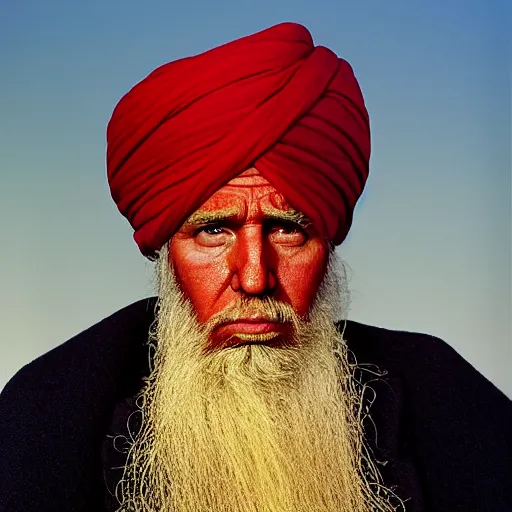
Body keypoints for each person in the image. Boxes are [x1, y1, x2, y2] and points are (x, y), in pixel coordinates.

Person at [0, 22, 510, 512]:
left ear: (327, 246)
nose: (253, 277)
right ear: (167, 251)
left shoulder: (442, 394)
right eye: (213, 230)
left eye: (287, 229)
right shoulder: (50, 413)